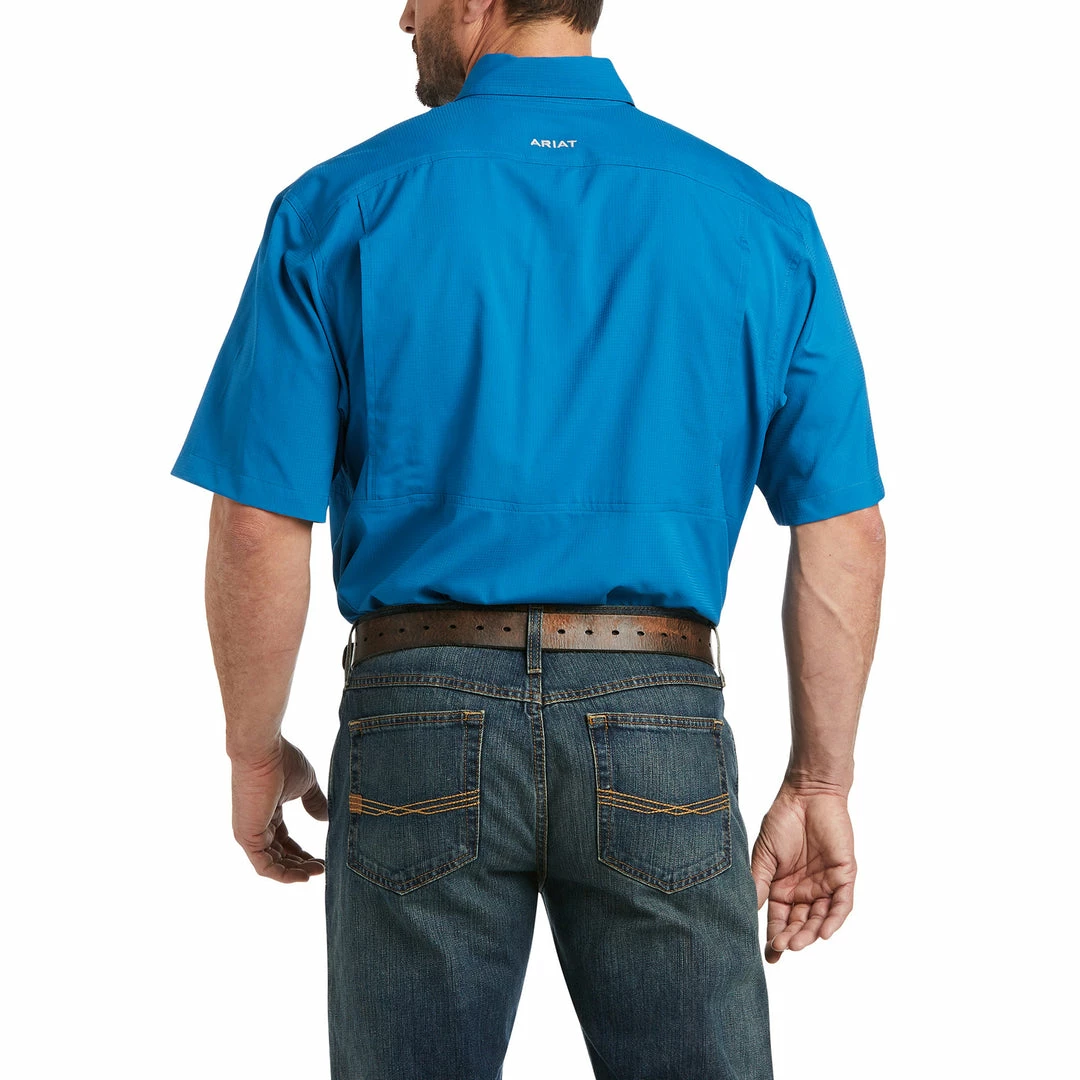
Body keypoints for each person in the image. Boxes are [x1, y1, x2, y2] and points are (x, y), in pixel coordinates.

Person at [170, 1, 886, 1076]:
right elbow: (842, 528)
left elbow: (258, 520)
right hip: (660, 722)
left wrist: (251, 751)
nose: (402, 15)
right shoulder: (759, 221)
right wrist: (821, 783)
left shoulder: (341, 206)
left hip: (417, 720)